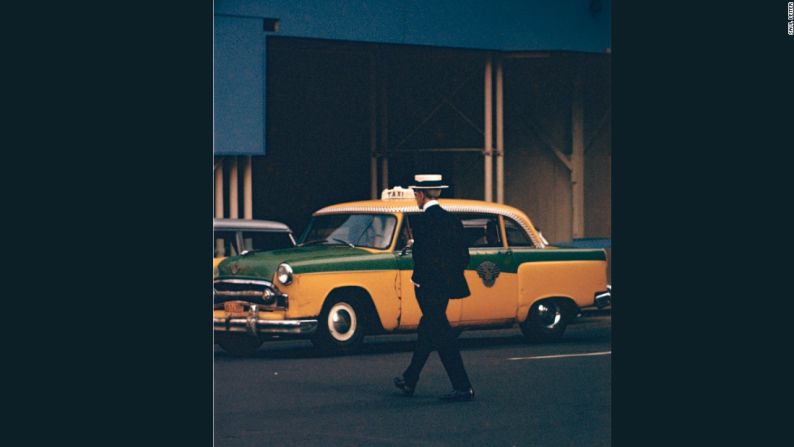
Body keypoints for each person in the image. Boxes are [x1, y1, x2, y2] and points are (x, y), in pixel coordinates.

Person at [393, 174, 475, 402]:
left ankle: (463, 386)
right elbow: (463, 257)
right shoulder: (452, 221)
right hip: (446, 287)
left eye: (415, 195)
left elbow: (423, 258)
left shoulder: (422, 222)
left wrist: (418, 280)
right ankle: (410, 379)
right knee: (427, 331)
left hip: (428, 287)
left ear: (420, 195)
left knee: (441, 334)